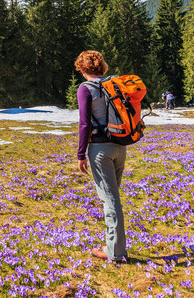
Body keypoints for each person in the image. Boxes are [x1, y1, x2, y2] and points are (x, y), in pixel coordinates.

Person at [75, 50, 128, 263]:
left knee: (110, 200)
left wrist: (81, 154)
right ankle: (111, 243)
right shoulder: (113, 85)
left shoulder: (85, 89)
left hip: (100, 150)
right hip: (120, 147)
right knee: (113, 197)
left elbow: (84, 123)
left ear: (82, 69)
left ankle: (115, 251)